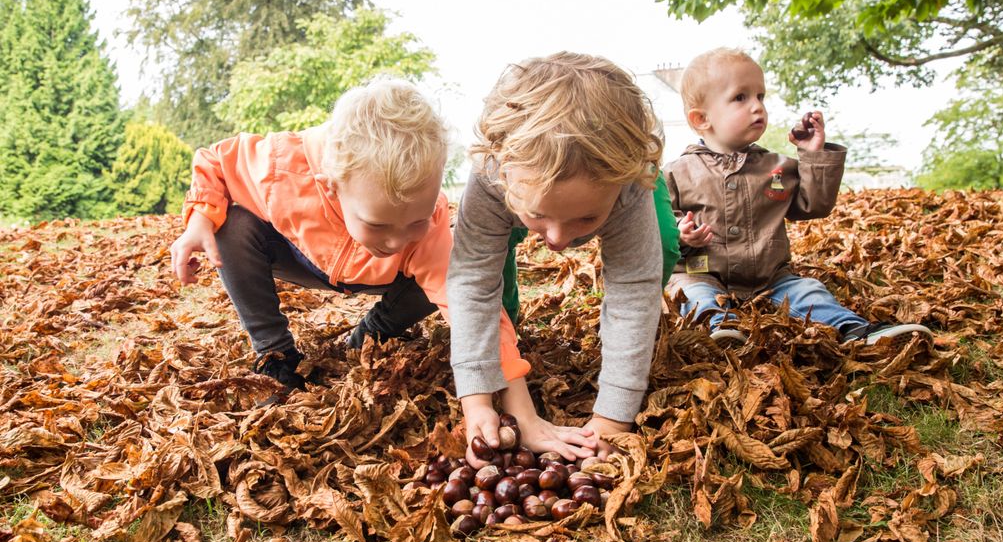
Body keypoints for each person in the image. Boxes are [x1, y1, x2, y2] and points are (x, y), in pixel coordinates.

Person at [168, 78, 529, 405]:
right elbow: (216, 159)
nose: (395, 240)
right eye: (378, 223)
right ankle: (275, 354)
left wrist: (510, 386)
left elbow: (470, 302)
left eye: (414, 222)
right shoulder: (281, 168)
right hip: (300, 255)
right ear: (331, 186)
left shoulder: (426, 229)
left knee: (449, 267)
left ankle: (374, 332)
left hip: (387, 279)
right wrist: (200, 218)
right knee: (231, 223)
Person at [447, 52, 674, 464]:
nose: (556, 240)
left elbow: (633, 288)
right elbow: (473, 280)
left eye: (585, 218)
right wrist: (477, 399)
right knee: (495, 291)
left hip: (631, 186)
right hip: (506, 203)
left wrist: (613, 418)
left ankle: (632, 352)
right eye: (539, 215)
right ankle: (506, 337)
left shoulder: (627, 184)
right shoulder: (490, 174)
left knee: (665, 250)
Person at [664, 47, 931, 347]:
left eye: (760, 96)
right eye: (741, 97)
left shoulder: (776, 168)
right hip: (702, 273)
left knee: (809, 292)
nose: (757, 107)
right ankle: (721, 331)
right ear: (701, 119)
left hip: (771, 278)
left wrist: (812, 155)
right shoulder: (678, 172)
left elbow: (812, 204)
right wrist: (681, 233)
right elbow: (658, 223)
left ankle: (854, 329)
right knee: (693, 294)